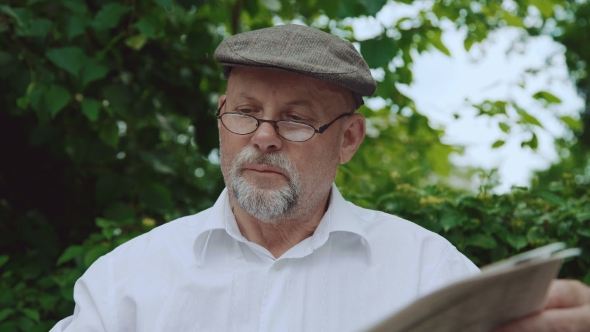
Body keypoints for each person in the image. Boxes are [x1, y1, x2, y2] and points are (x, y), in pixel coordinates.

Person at [50, 24, 590, 332]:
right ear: (221, 115)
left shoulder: (430, 271)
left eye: (296, 119)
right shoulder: (125, 280)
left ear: (349, 139)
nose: (263, 136)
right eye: (245, 112)